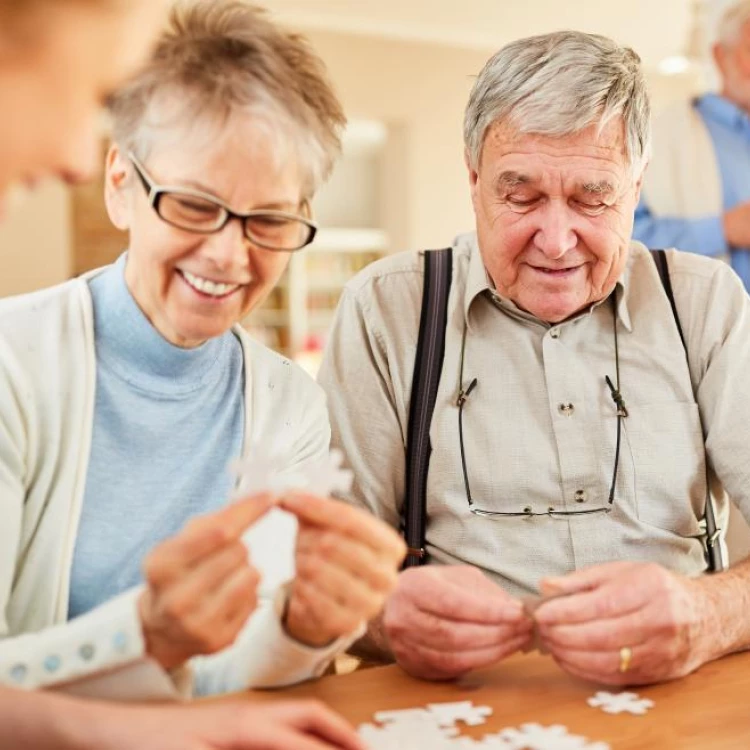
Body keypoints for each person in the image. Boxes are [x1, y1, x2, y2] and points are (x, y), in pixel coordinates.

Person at [0, 0, 390, 747]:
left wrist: (303, 628)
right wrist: (147, 635)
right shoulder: (12, 366)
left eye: (269, 220)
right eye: (192, 205)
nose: (227, 256)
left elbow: (230, 686)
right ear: (120, 184)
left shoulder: (289, 405)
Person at [319, 29, 750, 689]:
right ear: (473, 182)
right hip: (453, 712)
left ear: (636, 188)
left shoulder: (705, 303)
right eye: (520, 196)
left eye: (592, 197)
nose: (556, 240)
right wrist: (381, 613)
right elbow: (329, 577)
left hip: (678, 703)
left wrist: (709, 612)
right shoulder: (386, 310)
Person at [633, 0, 750, 291]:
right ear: (721, 56)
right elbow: (627, 238)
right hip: (708, 325)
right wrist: (723, 230)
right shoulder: (660, 134)